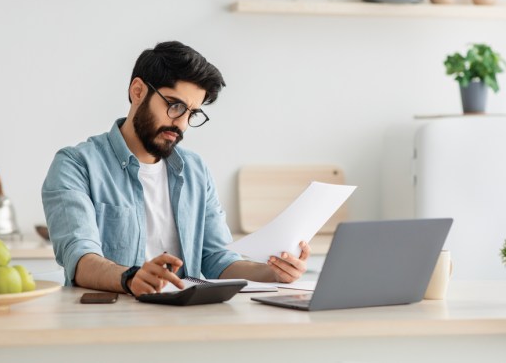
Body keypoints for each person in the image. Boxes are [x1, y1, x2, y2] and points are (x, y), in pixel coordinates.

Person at [42, 41, 311, 296]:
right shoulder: (76, 165)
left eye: (191, 114)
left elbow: (217, 259)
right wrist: (131, 278)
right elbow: (79, 258)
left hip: (187, 319)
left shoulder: (195, 169)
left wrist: (274, 272)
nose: (181, 124)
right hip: (111, 320)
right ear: (138, 91)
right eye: (175, 106)